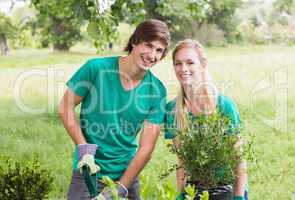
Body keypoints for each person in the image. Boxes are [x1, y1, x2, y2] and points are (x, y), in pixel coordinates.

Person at [58, 19, 170, 200]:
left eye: (159, 50)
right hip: (89, 169)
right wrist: (84, 148)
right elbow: (65, 107)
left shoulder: (156, 91)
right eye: (148, 45)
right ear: (135, 41)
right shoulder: (95, 69)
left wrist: (121, 188)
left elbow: (146, 149)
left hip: (126, 175)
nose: (152, 55)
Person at [163, 39, 248, 200]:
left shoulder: (223, 105)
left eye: (190, 63)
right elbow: (182, 162)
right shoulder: (172, 110)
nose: (183, 69)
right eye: (178, 63)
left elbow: (239, 158)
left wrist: (238, 196)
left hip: (226, 187)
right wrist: (181, 193)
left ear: (202, 65)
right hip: (195, 188)